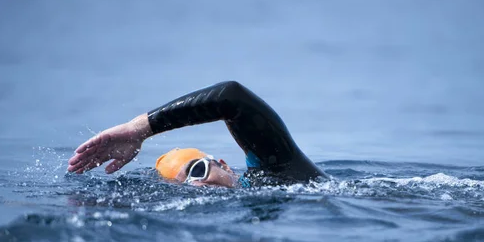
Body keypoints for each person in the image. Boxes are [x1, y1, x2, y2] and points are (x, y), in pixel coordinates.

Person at [68, 81, 327, 187]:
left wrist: (139, 128)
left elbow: (232, 97)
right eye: (187, 185)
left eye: (197, 171)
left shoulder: (276, 171)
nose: (199, 186)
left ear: (224, 165)